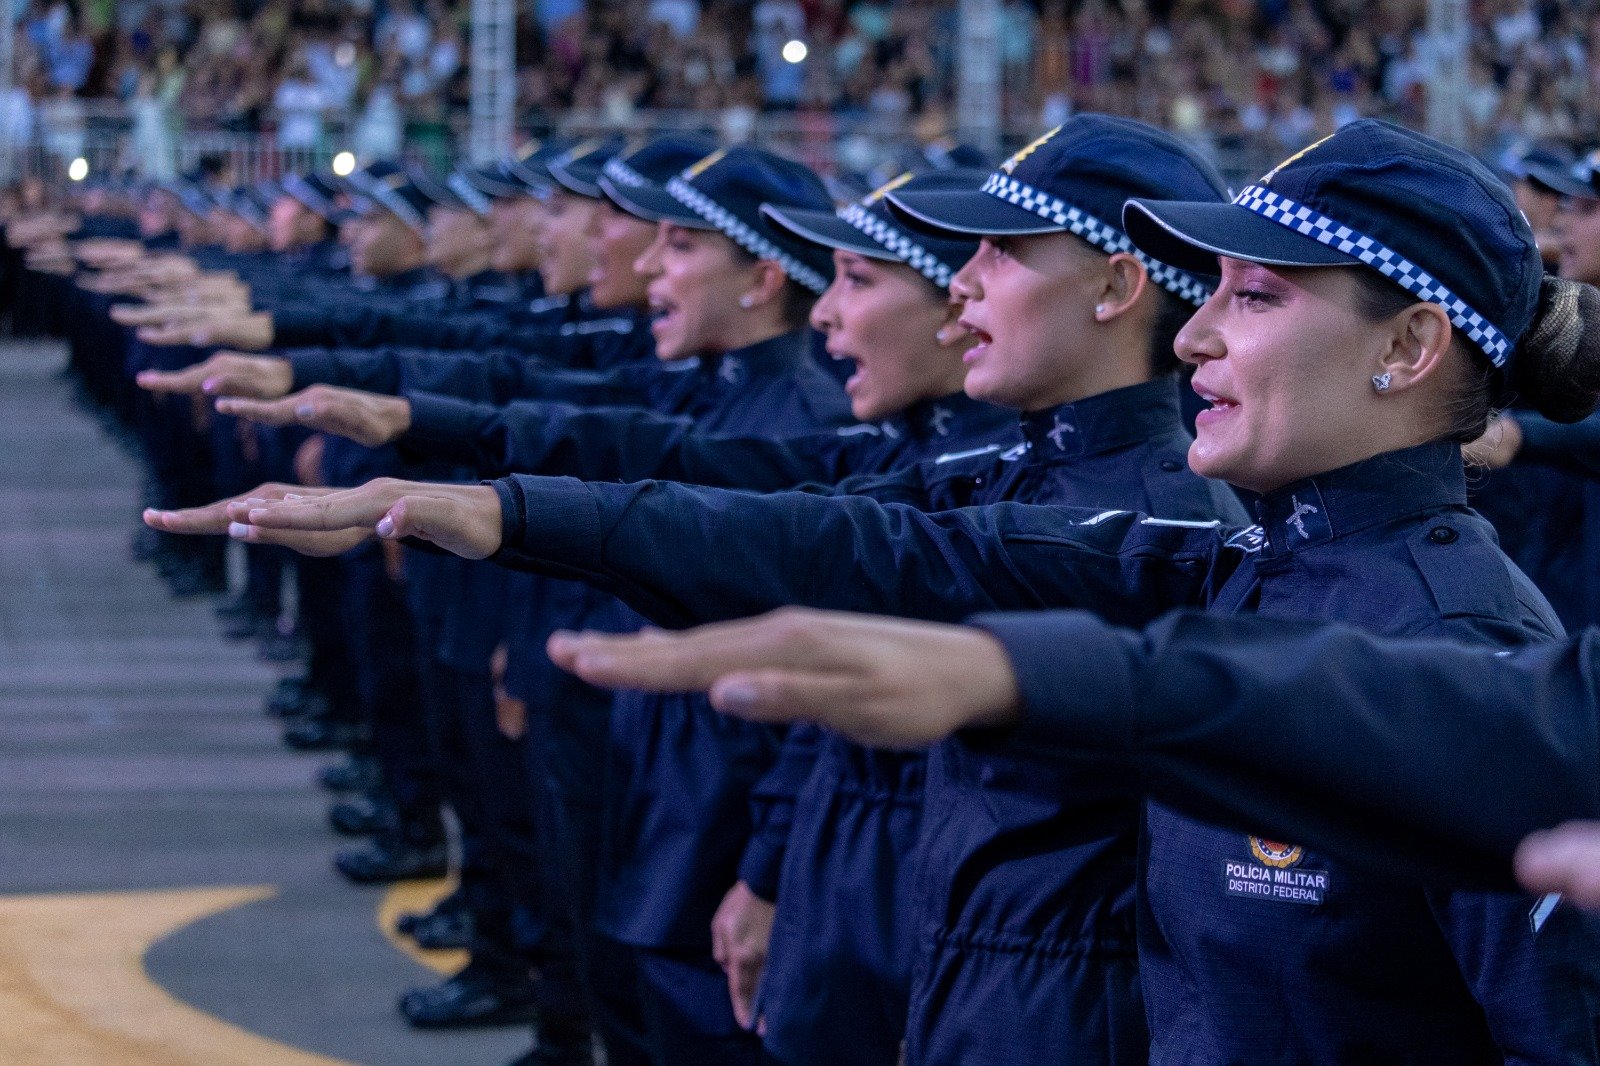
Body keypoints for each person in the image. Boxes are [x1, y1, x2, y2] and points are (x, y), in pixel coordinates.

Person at [227, 119, 1600, 1062]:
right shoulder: (1232, 558)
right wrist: (499, 507)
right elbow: (863, 548)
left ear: (1413, 343)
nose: (1198, 330)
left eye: (1255, 293)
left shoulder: (1473, 658)